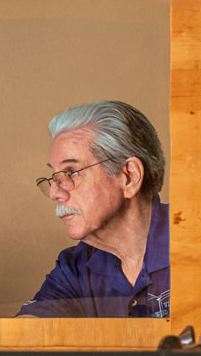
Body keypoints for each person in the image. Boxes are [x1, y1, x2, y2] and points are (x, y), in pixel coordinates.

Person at [17, 100, 170, 318]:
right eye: (54, 176)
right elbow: (25, 334)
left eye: (71, 172)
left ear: (130, 177)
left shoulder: (198, 244)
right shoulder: (75, 267)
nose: (54, 193)